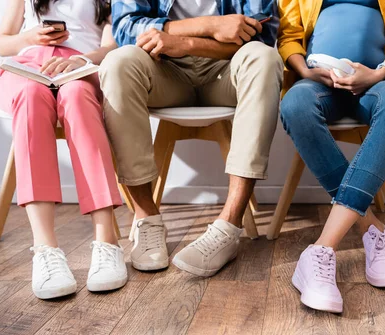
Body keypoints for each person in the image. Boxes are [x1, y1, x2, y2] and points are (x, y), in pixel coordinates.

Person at [100, 0, 283, 277]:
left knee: (264, 59)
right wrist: (207, 25)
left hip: (226, 66)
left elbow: (263, 34)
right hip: (163, 67)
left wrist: (186, 43)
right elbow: (125, 29)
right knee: (117, 63)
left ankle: (230, 224)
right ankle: (146, 217)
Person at [278, 0, 385, 312]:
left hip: (375, 82)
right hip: (318, 82)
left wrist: (378, 74)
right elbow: (288, 36)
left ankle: (321, 249)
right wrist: (306, 71)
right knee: (294, 106)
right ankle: (372, 227)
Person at [0, 0, 127, 300]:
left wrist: (81, 60)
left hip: (82, 66)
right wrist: (31, 38)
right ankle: (46, 250)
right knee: (30, 96)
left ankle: (107, 243)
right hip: (28, 65)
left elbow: (112, 45)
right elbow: (3, 43)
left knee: (78, 97)